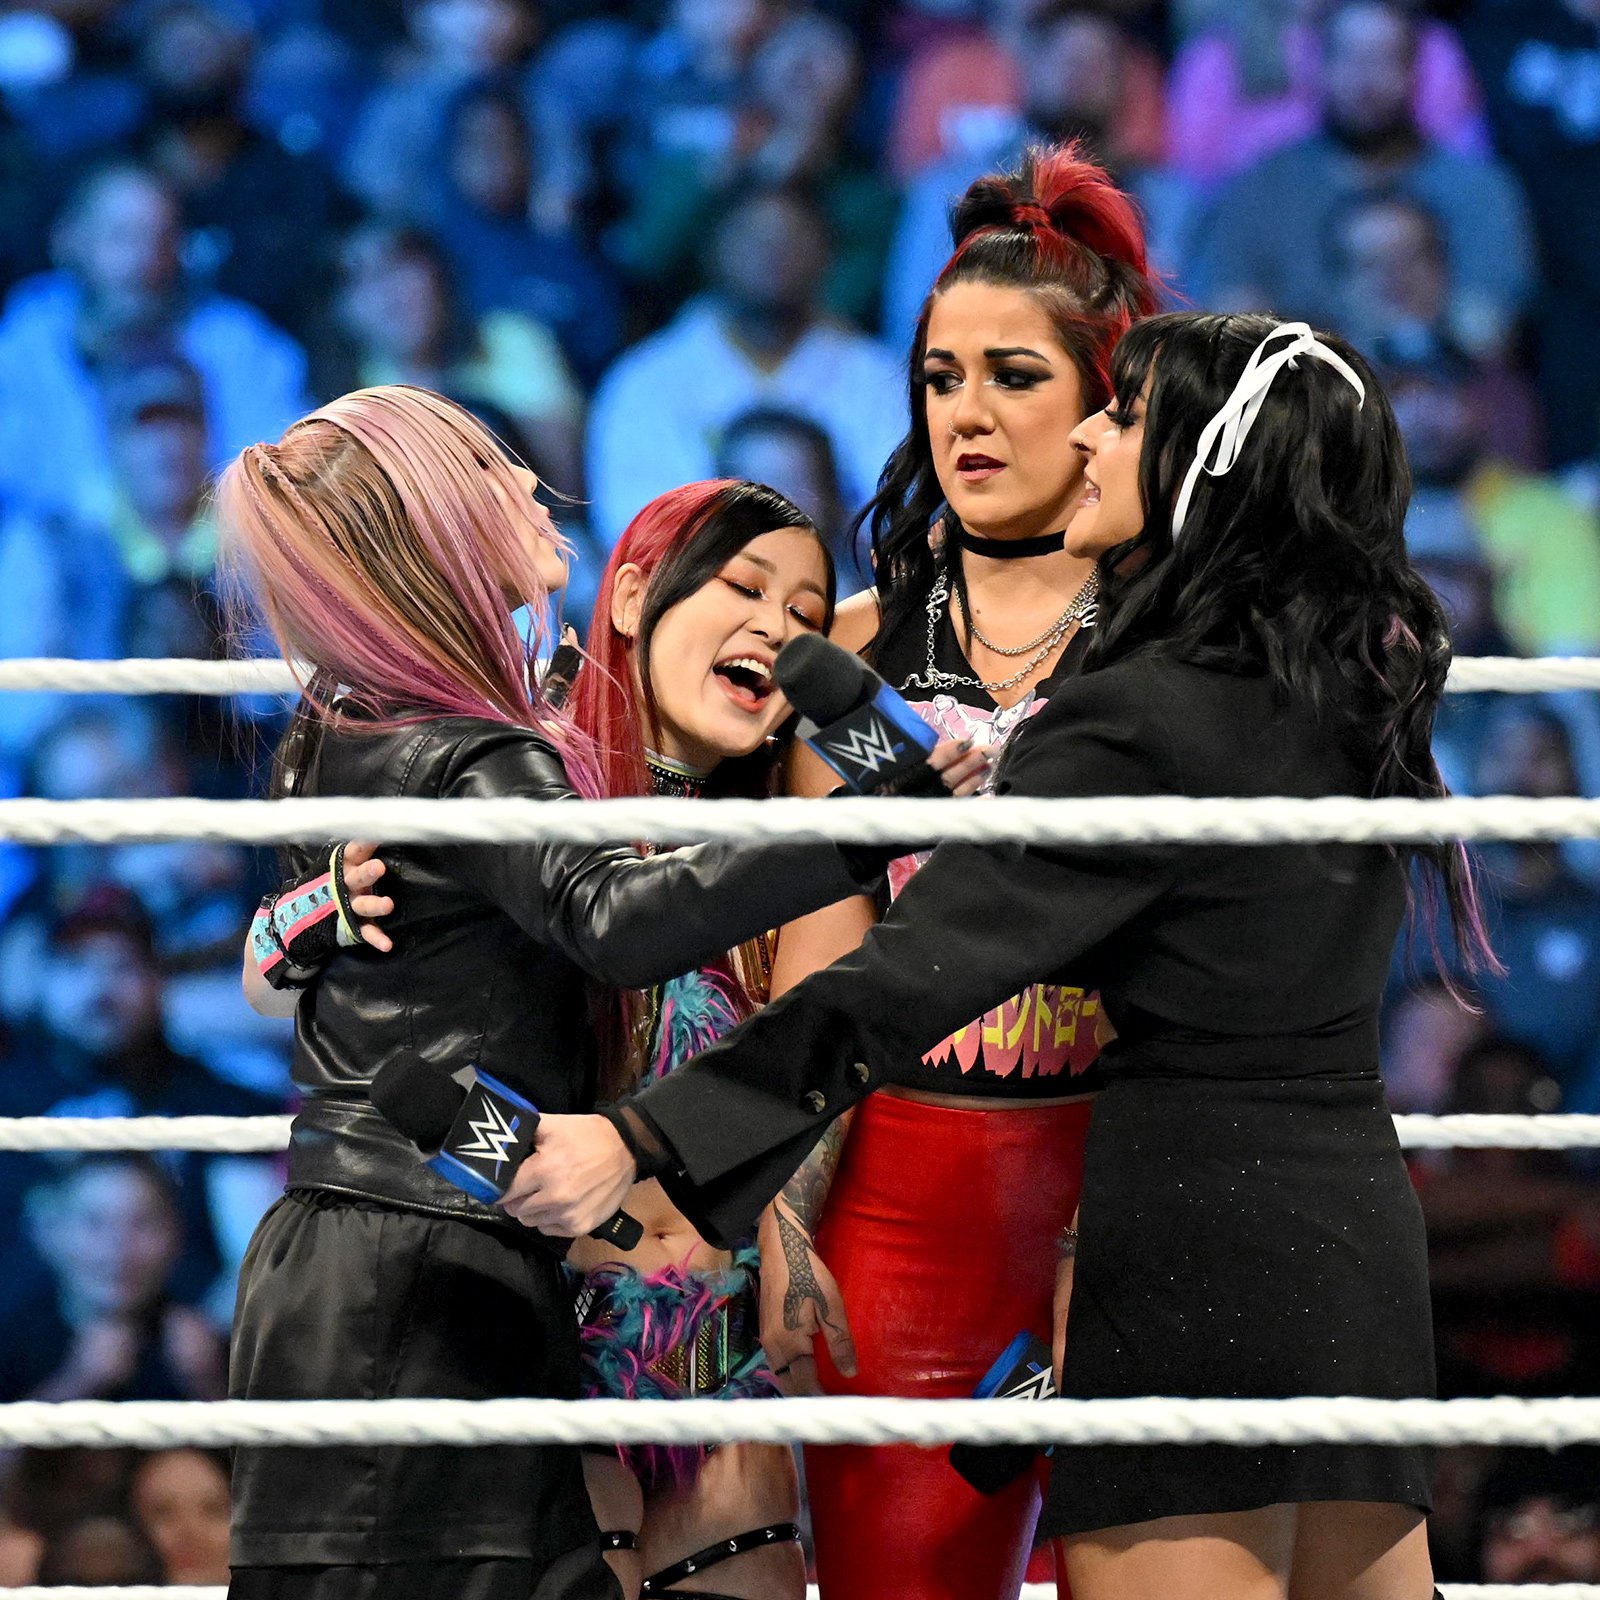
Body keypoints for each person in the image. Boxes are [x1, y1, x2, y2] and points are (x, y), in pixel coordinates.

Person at [522, 311, 1495, 1600]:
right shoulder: (1343, 689)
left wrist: (644, 1138)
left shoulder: (1135, 717)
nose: (1087, 435)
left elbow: (905, 979)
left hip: (1190, 1248)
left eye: (1124, 415)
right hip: (1351, 1239)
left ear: (1195, 467)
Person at [216, 384, 960, 1600]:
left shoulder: (354, 722)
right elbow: (597, 933)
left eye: (805, 610)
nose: (530, 481)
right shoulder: (498, 751)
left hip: (471, 1263)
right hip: (456, 1270)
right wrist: (872, 815)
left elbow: (408, 1073)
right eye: (743, 587)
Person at [713, 145, 1158, 1600]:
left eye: (1013, 376)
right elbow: (824, 948)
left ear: (1107, 398)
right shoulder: (856, 644)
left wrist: (1116, 1241)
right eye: (940, 376)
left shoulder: (1177, 648)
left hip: (1139, 1188)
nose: (966, 412)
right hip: (901, 1202)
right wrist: (784, 1213)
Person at [1192, 0, 1534, 356]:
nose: (1365, 80)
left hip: (1441, 385)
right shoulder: (1259, 190)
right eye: (1348, 58)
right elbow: (1229, 321)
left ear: (1416, 71)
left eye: (1384, 59)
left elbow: (1486, 330)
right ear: (1318, 67)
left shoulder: (1479, 191)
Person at [585, 185, 903, 547]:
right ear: (711, 250)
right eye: (751, 236)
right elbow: (632, 525)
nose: (772, 252)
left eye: (791, 236)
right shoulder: (644, 380)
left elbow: (904, 517)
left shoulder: (881, 376)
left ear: (828, 252)